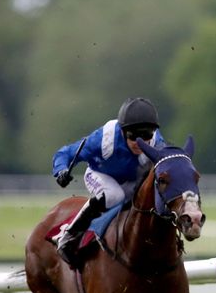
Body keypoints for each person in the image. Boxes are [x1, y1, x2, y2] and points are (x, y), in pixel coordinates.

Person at [52, 97, 165, 265]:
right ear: (122, 131)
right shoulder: (104, 138)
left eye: (146, 135)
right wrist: (60, 170)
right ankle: (68, 235)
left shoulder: (157, 142)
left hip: (131, 181)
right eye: (133, 136)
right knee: (115, 195)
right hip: (100, 176)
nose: (140, 142)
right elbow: (66, 153)